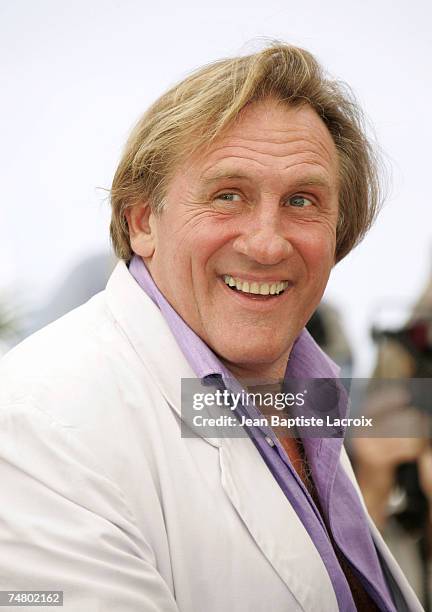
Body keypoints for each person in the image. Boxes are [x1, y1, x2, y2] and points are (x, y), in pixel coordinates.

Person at [0, 43, 423, 611]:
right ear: (142, 220)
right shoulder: (36, 423)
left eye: (302, 201)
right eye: (228, 196)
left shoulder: (306, 398)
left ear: (338, 235)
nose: (268, 243)